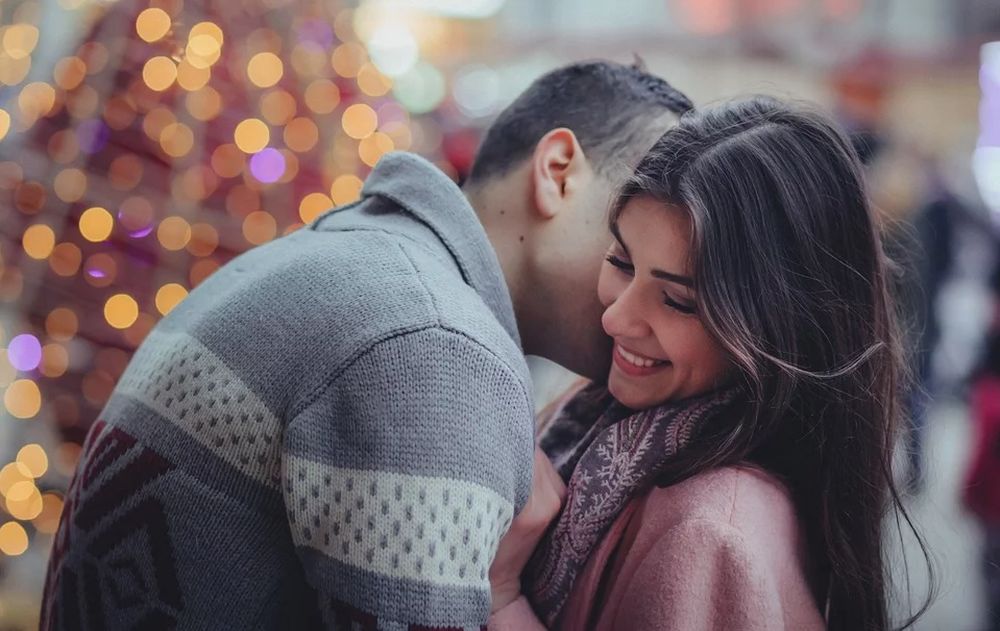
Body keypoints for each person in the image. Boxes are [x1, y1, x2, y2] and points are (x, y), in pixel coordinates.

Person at [39, 61, 693, 629]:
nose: (650, 286)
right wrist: (501, 596)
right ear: (556, 172)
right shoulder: (433, 341)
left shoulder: (362, 262)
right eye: (630, 237)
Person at [488, 96, 931, 630]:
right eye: (622, 262)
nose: (616, 321)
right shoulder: (605, 417)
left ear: (781, 327)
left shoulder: (713, 531)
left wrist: (501, 596)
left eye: (679, 302)